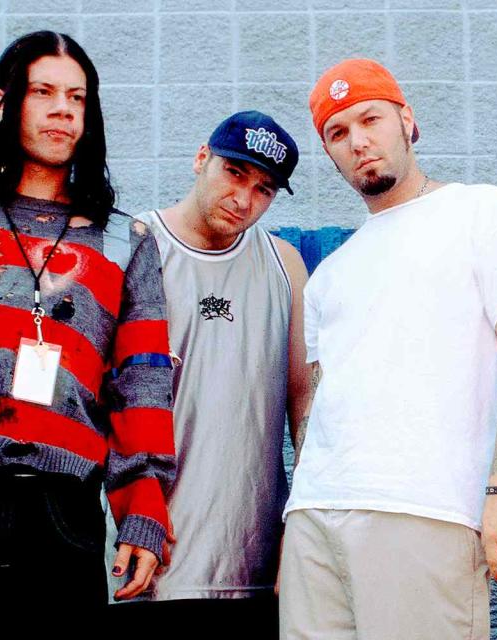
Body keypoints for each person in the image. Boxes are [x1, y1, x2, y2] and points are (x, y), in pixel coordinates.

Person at [0, 31, 175, 612]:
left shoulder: (126, 241)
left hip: (58, 517)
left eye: (77, 97)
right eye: (43, 91)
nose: (63, 109)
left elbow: (142, 387)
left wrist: (142, 513)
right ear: (1, 103)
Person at [278, 58, 497, 640]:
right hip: (314, 521)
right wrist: (294, 520)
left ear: (407, 120)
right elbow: (318, 408)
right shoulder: (330, 272)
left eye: (370, 119)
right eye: (338, 132)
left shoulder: (481, 209)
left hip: (423, 509)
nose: (358, 141)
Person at [119, 111, 308, 634]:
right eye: (234, 173)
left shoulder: (285, 264)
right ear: (202, 158)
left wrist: (304, 521)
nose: (244, 199)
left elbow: (305, 401)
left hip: (255, 560)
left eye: (264, 189)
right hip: (148, 556)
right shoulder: (133, 247)